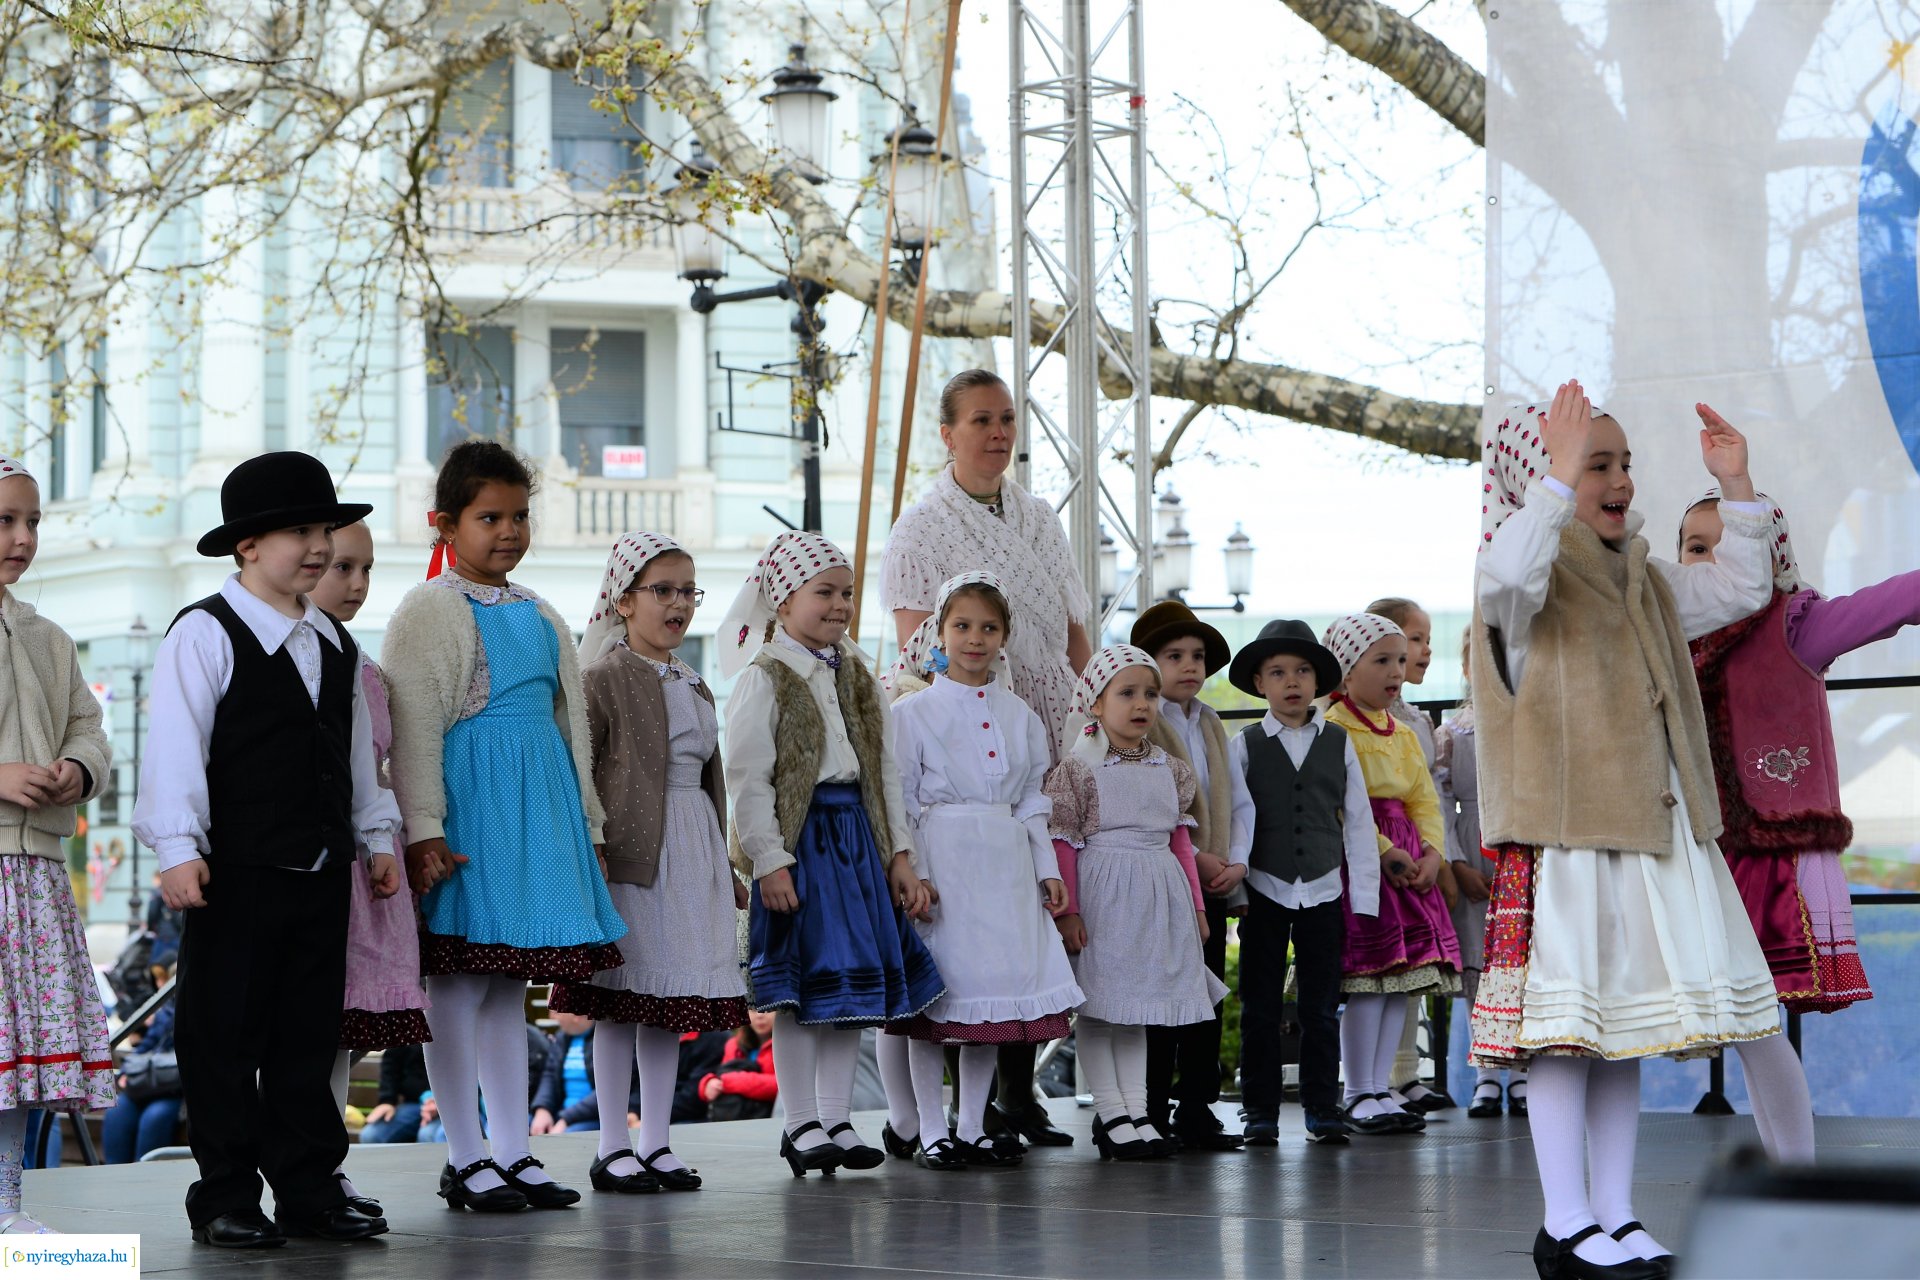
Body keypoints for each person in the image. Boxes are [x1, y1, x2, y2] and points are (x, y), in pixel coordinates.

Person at [1470, 385, 1781, 1279]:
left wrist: (1738, 488)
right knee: (1565, 1032)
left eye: (1621, 462)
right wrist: (1555, 482)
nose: (1617, 480)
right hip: (1567, 837)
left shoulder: (1639, 572)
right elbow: (1509, 579)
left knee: (1618, 1030)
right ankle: (1564, 1219)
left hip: (1642, 830)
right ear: (1542, 478)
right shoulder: (1519, 577)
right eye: (1592, 464)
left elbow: (1739, 588)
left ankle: (1612, 1211)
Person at [133, 451, 402, 1248]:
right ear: (247, 545)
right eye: (299, 532)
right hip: (236, 871)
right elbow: (176, 746)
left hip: (321, 867)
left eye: (324, 529)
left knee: (306, 1038)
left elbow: (354, 754)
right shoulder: (204, 632)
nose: (319, 546)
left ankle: (309, 1188)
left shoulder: (335, 642)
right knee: (222, 1037)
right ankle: (225, 1194)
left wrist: (376, 832)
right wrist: (176, 845)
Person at [384, 440, 627, 1214]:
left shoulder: (539, 610)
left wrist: (586, 823)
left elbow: (570, 729)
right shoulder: (429, 609)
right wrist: (424, 827)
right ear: (445, 523)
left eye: (520, 516)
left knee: (506, 985)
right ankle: (464, 1154)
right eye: (489, 517)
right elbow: (414, 728)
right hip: (472, 809)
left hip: (537, 809)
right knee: (459, 984)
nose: (510, 531)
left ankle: (513, 1150)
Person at [883, 369, 1093, 1150]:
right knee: (959, 946)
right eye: (980, 420)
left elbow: (1075, 627)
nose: (998, 432)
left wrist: (1086, 716)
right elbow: (918, 641)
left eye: (1006, 418)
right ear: (948, 433)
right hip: (958, 731)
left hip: (1042, 721)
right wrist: (962, 699)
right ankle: (933, 1118)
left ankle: (1016, 1094)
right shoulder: (920, 527)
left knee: (1025, 930)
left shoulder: (1040, 517)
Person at [1679, 489, 1920, 1163]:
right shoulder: (1669, 637)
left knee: (1756, 1022)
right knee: (1749, 1028)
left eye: (1730, 545)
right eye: (1696, 548)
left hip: (1772, 857)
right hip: (1697, 852)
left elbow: (1894, 601)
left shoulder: (1793, 626)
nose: (1711, 561)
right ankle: (1790, 1172)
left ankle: (1794, 1173)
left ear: (1769, 555)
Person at [719, 530, 942, 1178]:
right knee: (803, 991)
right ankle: (800, 1122)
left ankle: (837, 1118)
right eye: (825, 592)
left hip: (856, 842)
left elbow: (884, 771)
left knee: (851, 992)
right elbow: (748, 777)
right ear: (784, 600)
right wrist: (769, 858)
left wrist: (899, 854)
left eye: (847, 593)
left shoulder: (857, 676)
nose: (840, 604)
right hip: (804, 843)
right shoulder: (765, 677)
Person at [550, 533, 750, 1195]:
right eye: (662, 590)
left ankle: (656, 1141)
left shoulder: (694, 682)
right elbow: (579, 770)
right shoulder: (603, 678)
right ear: (624, 599)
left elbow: (712, 780)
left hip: (691, 845)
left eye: (688, 591)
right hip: (633, 853)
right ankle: (612, 1144)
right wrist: (590, 846)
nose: (678, 604)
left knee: (669, 1003)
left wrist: (726, 864)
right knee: (621, 999)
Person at [887, 573, 1083, 1171]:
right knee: (937, 1008)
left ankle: (971, 1126)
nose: (975, 638)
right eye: (962, 626)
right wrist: (913, 871)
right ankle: (930, 1130)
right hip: (945, 864)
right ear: (940, 633)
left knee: (990, 1006)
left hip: (1005, 871)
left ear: (1005, 636)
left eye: (989, 627)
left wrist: (1047, 868)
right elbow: (901, 801)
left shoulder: (1020, 715)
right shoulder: (912, 713)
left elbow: (1031, 799)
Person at [1045, 645, 1226, 1161]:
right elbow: (1063, 844)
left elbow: (1181, 844)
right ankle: (1112, 1113)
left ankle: (1140, 1112)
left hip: (1157, 897)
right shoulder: (1079, 770)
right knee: (1102, 1010)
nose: (1142, 703)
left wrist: (1196, 908)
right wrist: (1069, 912)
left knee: (1137, 1011)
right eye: (1127, 693)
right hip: (1105, 896)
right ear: (1096, 703)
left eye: (1149, 693)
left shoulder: (1169, 768)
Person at [0, 455, 115, 1234]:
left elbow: (88, 727)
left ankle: (6, 1209)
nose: (23, 537)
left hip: (34, 874)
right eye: (5, 520)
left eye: (32, 521)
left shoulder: (49, 637)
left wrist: (78, 767)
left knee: (13, 1064)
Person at [305, 519, 430, 1220]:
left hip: (364, 862)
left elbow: (380, 771)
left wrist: (396, 842)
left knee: (339, 1032)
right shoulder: (289, 658)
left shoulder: (367, 671)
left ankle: (325, 1168)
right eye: (341, 567)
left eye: (366, 569)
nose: (355, 584)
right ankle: (301, 1167)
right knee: (306, 1027)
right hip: (311, 861)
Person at [1225, 620, 1382, 1147]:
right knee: (1260, 1006)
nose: (1291, 681)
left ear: (1318, 681)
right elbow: (1237, 819)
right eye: (1277, 672)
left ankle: (1322, 1106)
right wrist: (1237, 888)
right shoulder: (1245, 744)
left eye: (1302, 671)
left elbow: (1358, 821)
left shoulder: (1339, 741)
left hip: (1323, 891)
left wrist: (1364, 897)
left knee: (1320, 1007)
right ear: (1259, 683)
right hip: (1264, 889)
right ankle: (1259, 1110)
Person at [1322, 613, 1462, 1136]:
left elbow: (1424, 799)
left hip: (1406, 860)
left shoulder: (1402, 732)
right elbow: (1341, 802)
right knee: (1370, 980)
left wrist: (1432, 853)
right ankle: (1358, 1089)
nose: (1396, 671)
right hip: (1363, 861)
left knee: (1399, 983)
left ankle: (1380, 1086)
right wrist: (1383, 851)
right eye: (1381, 660)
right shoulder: (1334, 728)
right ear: (1345, 669)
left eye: (1400, 660)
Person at [1131, 601, 1250, 1151]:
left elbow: (1236, 800)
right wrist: (1194, 855)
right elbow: (1144, 803)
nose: (1189, 666)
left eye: (1197, 656)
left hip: (1213, 877)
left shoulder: (1209, 722)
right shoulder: (1143, 722)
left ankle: (1198, 1106)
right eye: (1174, 655)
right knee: (1161, 991)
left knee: (1207, 992)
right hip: (1163, 876)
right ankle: (1150, 1107)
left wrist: (1233, 860)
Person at [1366, 596, 1457, 1115]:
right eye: (1413, 641)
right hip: (1380, 850)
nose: (1422, 653)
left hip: (1419, 847)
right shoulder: (1348, 720)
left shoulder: (1417, 723)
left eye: (1423, 644)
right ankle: (1373, 1080)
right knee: (1380, 967)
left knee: (1415, 964)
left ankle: (1404, 1073)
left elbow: (1431, 795)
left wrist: (1437, 855)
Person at [1435, 630, 1526, 1119]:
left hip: (1524, 849)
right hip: (1474, 849)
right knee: (1479, 964)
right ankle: (1487, 1074)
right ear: (1468, 669)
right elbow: (1439, 801)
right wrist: (1457, 862)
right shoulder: (1453, 734)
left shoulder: (1533, 723)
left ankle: (1525, 1071)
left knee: (1523, 959)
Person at [101, 1004, 184, 1164]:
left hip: (175, 1090)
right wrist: (125, 1071)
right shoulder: (166, 1012)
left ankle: (143, 1173)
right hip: (146, 1084)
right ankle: (114, 1173)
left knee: (154, 1118)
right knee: (116, 1113)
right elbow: (145, 1047)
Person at [701, 1013, 779, 1122]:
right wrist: (708, 1083)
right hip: (733, 1117)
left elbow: (780, 1087)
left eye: (768, 1009)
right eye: (752, 1009)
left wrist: (730, 1082)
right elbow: (722, 1073)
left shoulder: (787, 1044)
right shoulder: (734, 1044)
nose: (759, 1015)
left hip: (770, 1119)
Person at [359, 1044, 431, 1144]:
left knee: (428, 1134)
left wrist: (436, 1099)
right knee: (370, 1135)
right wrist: (387, 1100)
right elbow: (391, 1064)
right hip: (413, 1104)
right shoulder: (406, 1036)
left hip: (447, 1105)